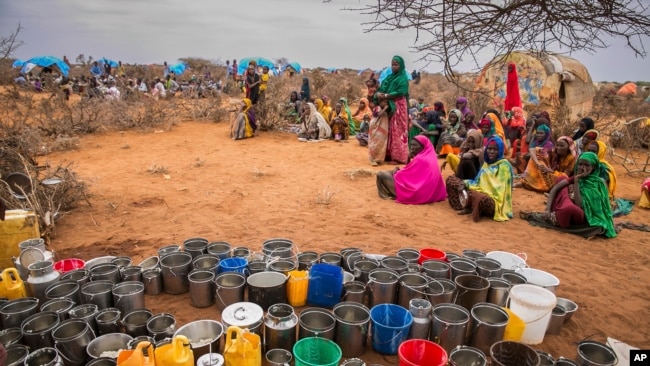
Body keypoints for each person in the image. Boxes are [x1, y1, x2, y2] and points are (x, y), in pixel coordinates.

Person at [520, 152, 617, 238]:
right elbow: (555, 189)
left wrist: (576, 182)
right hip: (569, 209)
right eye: (580, 164)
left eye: (587, 165)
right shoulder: (576, 177)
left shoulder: (598, 183)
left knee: (570, 208)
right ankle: (558, 213)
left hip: (582, 216)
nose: (582, 168)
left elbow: (580, 206)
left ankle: (560, 215)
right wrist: (547, 209)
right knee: (561, 179)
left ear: (594, 167)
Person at [446, 136, 513, 222]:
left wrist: (476, 192)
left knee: (482, 199)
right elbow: (477, 182)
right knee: (451, 180)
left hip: (494, 201)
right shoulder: (487, 163)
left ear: (500, 150)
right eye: (489, 149)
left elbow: (499, 191)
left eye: (495, 149)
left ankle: (471, 205)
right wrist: (465, 183)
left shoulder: (504, 165)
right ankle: (468, 205)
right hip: (478, 191)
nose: (491, 152)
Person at [376, 135, 446, 204]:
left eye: (415, 145)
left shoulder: (420, 159)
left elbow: (403, 175)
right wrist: (408, 158)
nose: (412, 148)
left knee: (381, 174)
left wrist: (395, 172)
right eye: (411, 145)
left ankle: (391, 194)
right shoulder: (430, 157)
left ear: (423, 147)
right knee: (393, 172)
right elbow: (410, 173)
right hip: (428, 191)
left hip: (418, 193)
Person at [373, 55, 410, 164]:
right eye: (392, 65)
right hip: (389, 105)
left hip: (399, 106)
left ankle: (399, 157)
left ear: (401, 65)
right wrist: (378, 94)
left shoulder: (403, 79)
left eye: (396, 65)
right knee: (388, 129)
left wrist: (385, 96)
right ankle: (388, 154)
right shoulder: (389, 77)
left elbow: (400, 92)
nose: (394, 67)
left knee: (397, 130)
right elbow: (382, 88)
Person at [368, 98, 390, 166]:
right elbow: (378, 115)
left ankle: (379, 159)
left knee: (381, 144)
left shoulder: (385, 111)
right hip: (375, 129)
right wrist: (385, 109)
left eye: (387, 103)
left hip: (382, 131)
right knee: (374, 144)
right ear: (380, 102)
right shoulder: (377, 108)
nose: (385, 104)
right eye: (384, 102)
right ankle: (373, 159)